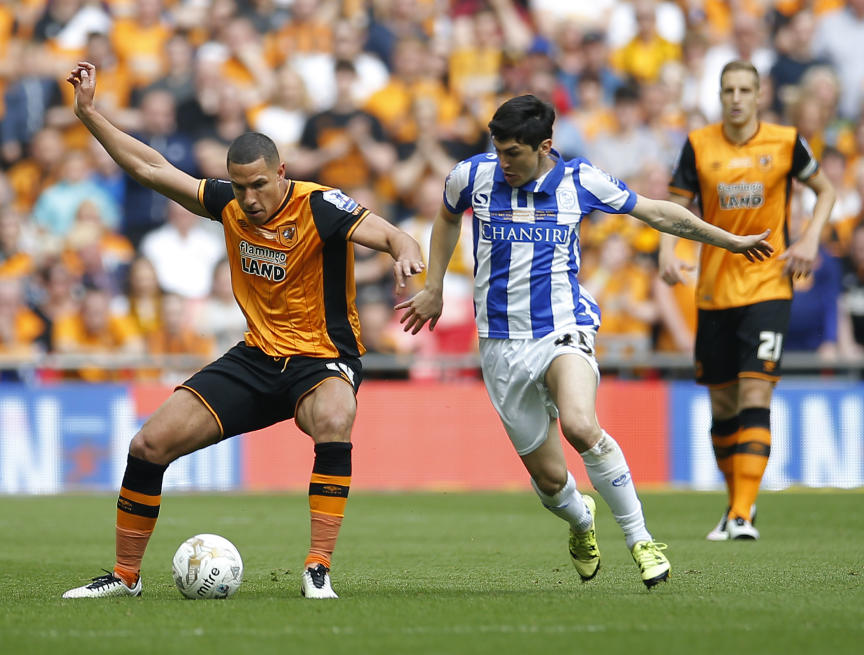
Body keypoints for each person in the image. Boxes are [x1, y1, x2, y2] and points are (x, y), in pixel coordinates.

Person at [61, 61, 424, 600]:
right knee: (148, 443)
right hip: (256, 357)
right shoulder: (229, 204)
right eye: (240, 186)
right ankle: (125, 575)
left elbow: (395, 236)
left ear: (282, 173)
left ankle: (318, 567)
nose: (250, 199)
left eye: (259, 185)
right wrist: (90, 114)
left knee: (334, 416)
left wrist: (408, 259)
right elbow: (153, 169)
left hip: (321, 360)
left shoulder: (320, 206)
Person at [397, 94, 773, 589]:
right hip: (499, 344)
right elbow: (447, 217)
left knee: (579, 423)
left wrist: (728, 240)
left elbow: (659, 213)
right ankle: (581, 521)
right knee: (552, 483)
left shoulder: (580, 181)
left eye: (513, 153)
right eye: (498, 149)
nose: (502, 162)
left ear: (545, 146)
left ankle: (641, 539)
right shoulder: (471, 176)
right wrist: (435, 287)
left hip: (563, 325)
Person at [658, 61, 836, 541]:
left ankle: (741, 512)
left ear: (759, 95)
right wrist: (666, 252)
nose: (736, 98)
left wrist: (810, 239)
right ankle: (736, 503)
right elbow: (675, 208)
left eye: (744, 90)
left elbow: (826, 190)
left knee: (756, 393)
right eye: (728, 90)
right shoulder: (699, 145)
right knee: (723, 405)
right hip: (714, 291)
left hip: (768, 286)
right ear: (719, 95)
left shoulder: (785, 141)